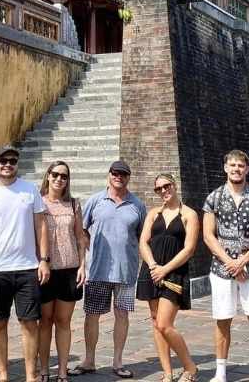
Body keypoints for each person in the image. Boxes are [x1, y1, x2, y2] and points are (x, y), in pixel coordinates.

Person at [0, 145, 51, 382]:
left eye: (12, 160)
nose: (7, 164)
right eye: (2, 160)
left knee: (29, 323)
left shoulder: (30, 190)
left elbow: (41, 226)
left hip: (27, 267)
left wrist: (44, 260)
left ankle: (30, 376)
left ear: (17, 164)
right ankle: (3, 375)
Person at [70, 160, 146, 379]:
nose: (118, 177)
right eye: (115, 173)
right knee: (92, 315)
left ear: (128, 177)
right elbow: (81, 230)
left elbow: (142, 236)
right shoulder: (95, 201)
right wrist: (85, 257)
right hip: (98, 269)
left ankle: (118, 361)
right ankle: (89, 359)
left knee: (122, 315)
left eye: (123, 174)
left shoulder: (137, 205)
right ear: (109, 175)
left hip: (125, 271)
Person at [202, 150, 249, 382]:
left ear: (247, 169)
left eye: (240, 165)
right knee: (222, 320)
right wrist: (230, 263)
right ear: (225, 168)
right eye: (232, 165)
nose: (236, 169)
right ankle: (220, 372)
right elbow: (208, 236)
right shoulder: (213, 198)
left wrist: (242, 261)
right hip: (222, 269)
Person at [137, 173, 200, 382]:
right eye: (159, 189)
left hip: (174, 272)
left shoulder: (189, 214)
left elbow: (189, 249)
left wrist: (165, 269)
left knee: (165, 323)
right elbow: (144, 242)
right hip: (151, 270)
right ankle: (167, 373)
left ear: (174, 185)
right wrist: (154, 266)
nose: (163, 191)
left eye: (166, 186)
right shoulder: (153, 214)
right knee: (156, 322)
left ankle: (190, 367)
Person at [38, 161, 87, 382]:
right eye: (55, 174)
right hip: (45, 269)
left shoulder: (74, 204)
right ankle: (45, 369)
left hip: (69, 269)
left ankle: (62, 370)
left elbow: (80, 237)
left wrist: (83, 265)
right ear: (48, 176)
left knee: (63, 321)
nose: (59, 179)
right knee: (45, 320)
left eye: (64, 176)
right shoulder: (38, 203)